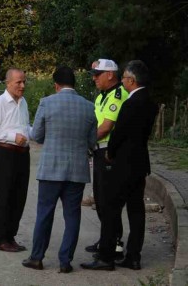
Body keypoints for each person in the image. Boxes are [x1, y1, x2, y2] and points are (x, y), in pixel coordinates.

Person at [82, 60, 158, 271]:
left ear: (131, 81)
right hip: (140, 163)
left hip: (122, 164)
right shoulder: (150, 103)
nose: (123, 81)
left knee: (110, 208)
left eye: (124, 78)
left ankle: (106, 256)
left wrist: (110, 153)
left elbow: (119, 132)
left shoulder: (130, 103)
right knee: (136, 210)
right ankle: (134, 256)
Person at [21, 67, 97, 273]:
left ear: (56, 85)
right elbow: (92, 141)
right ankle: (65, 261)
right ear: (74, 83)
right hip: (77, 171)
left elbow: (37, 135)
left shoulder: (47, 103)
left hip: (51, 169)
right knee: (72, 216)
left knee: (45, 213)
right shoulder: (89, 107)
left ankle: (37, 257)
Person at [85, 59, 129, 258]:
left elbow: (105, 127)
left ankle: (115, 242)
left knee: (108, 199)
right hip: (99, 151)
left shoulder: (117, 96)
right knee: (100, 199)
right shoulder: (103, 95)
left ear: (110, 74)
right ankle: (107, 238)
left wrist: (86, 141)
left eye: (98, 74)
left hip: (109, 153)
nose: (94, 78)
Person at [0, 68, 31, 253]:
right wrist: (13, 137)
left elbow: (25, 126)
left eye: (24, 82)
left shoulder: (23, 102)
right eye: (18, 82)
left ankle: (11, 236)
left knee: (19, 196)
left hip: (23, 154)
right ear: (8, 83)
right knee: (5, 195)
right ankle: (0, 238)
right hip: (7, 153)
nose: (22, 85)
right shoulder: (0, 103)